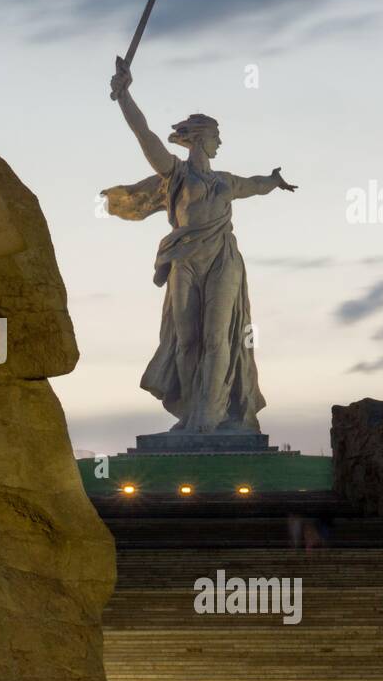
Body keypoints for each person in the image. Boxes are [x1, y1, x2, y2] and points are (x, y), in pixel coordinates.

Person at [103, 58, 296, 433]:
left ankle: (210, 417)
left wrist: (274, 181)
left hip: (223, 257)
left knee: (218, 335)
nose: (220, 142)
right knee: (186, 339)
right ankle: (193, 412)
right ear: (200, 138)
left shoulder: (226, 180)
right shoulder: (174, 172)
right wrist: (125, 95)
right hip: (184, 259)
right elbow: (145, 136)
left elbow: (255, 184)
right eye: (216, 136)